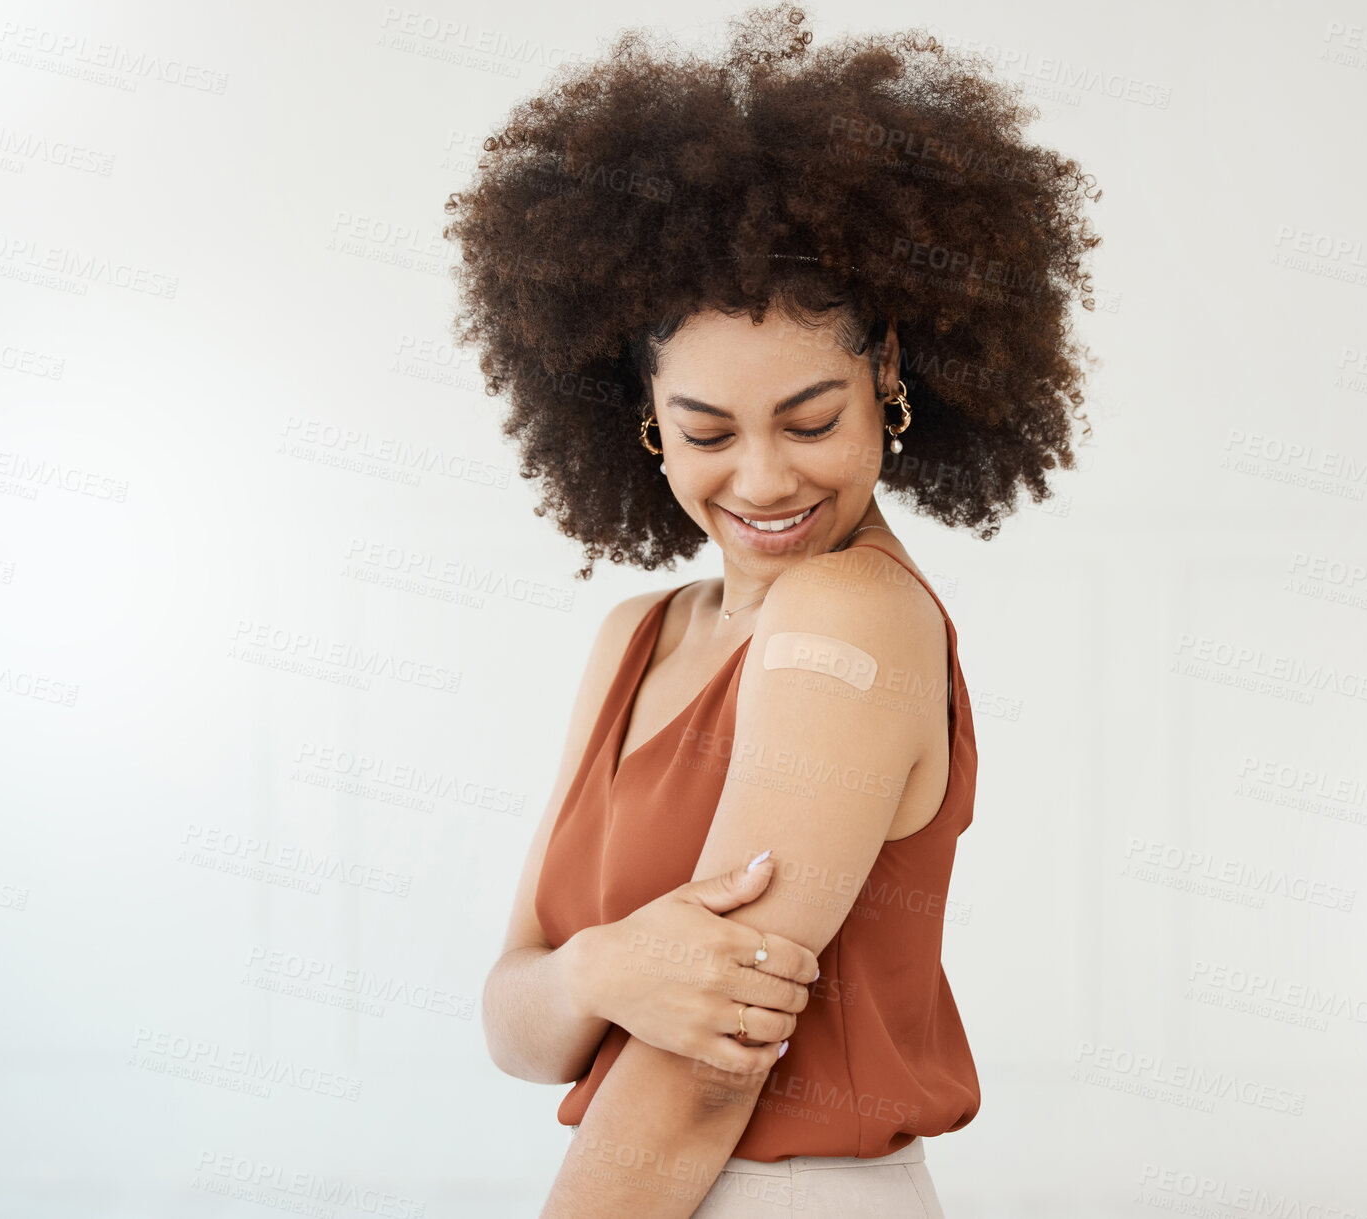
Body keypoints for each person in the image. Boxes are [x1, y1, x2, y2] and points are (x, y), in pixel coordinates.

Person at [441, 5, 1100, 1215]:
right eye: (705, 431)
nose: (761, 481)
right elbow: (514, 1019)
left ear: (888, 374)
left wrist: (589, 988)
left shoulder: (850, 618)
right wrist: (604, 965)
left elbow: (699, 1081)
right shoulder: (637, 636)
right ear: (643, 410)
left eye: (810, 421)